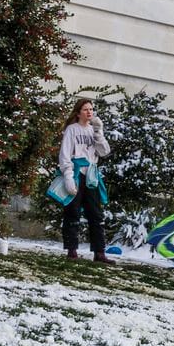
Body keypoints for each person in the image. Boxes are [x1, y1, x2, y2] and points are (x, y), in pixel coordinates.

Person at [54, 98, 111, 263]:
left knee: (95, 213)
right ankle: (72, 250)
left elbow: (104, 151)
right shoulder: (72, 130)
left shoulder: (94, 130)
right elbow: (65, 154)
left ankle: (99, 253)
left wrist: (99, 132)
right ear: (78, 112)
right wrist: (68, 176)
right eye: (86, 109)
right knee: (72, 212)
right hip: (76, 173)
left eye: (91, 109)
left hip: (91, 176)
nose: (90, 112)